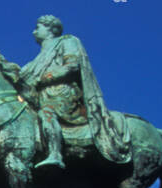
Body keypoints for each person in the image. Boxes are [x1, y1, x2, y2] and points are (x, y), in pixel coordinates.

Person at [18, 14, 130, 170]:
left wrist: (43, 78)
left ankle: (55, 154)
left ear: (50, 29)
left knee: (46, 113)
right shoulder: (35, 61)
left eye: (38, 27)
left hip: (63, 95)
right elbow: (21, 77)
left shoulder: (68, 42)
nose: (33, 32)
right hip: (41, 98)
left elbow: (72, 65)